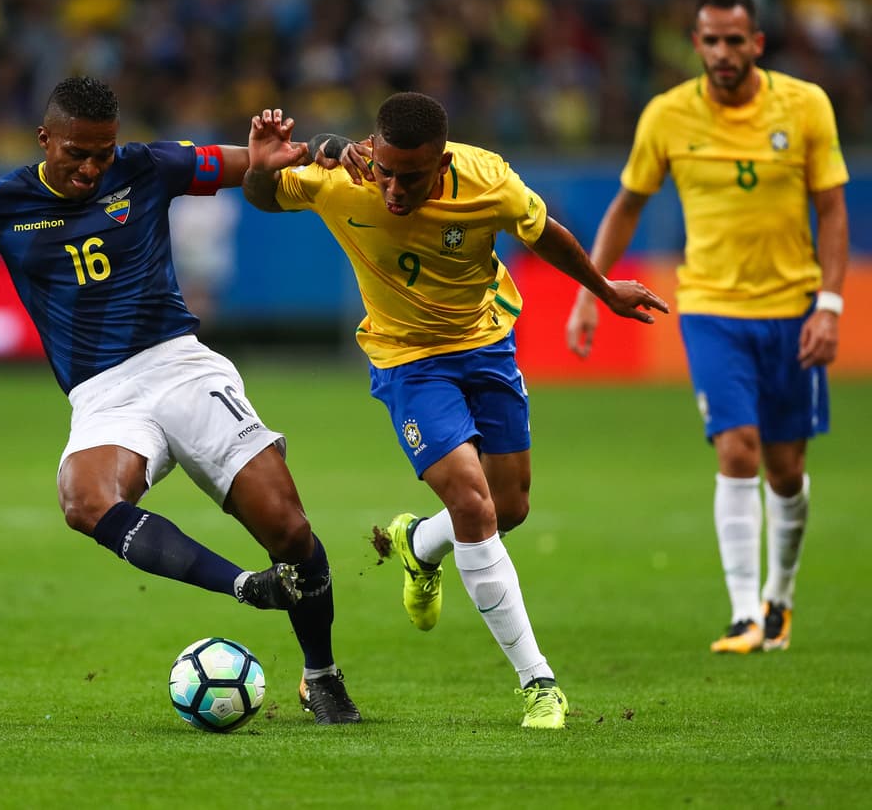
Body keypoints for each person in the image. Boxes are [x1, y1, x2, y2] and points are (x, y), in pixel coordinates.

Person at [0, 77, 361, 726]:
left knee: (288, 527)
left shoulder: (145, 165)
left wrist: (283, 154)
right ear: (44, 140)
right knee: (83, 498)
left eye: (102, 152)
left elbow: (244, 165)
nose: (92, 168)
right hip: (103, 395)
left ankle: (321, 674)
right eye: (76, 154)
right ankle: (241, 585)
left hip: (180, 364)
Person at [242, 95, 668, 729]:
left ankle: (420, 542)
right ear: (374, 152)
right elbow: (263, 192)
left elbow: (545, 233)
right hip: (409, 362)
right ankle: (538, 684)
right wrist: (258, 167)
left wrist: (604, 291)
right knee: (473, 503)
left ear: (440, 160)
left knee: (510, 507)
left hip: (487, 342)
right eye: (385, 171)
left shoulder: (487, 180)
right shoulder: (343, 181)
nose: (391, 189)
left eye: (410, 177)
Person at [565, 0, 849, 655]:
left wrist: (831, 306)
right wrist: (591, 292)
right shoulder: (666, 116)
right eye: (711, 40)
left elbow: (833, 209)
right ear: (696, 44)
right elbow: (626, 206)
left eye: (734, 40)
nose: (723, 52)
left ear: (757, 42)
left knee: (786, 468)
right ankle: (744, 611)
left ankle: (779, 597)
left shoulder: (806, 107)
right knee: (736, 449)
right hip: (713, 309)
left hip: (793, 307)